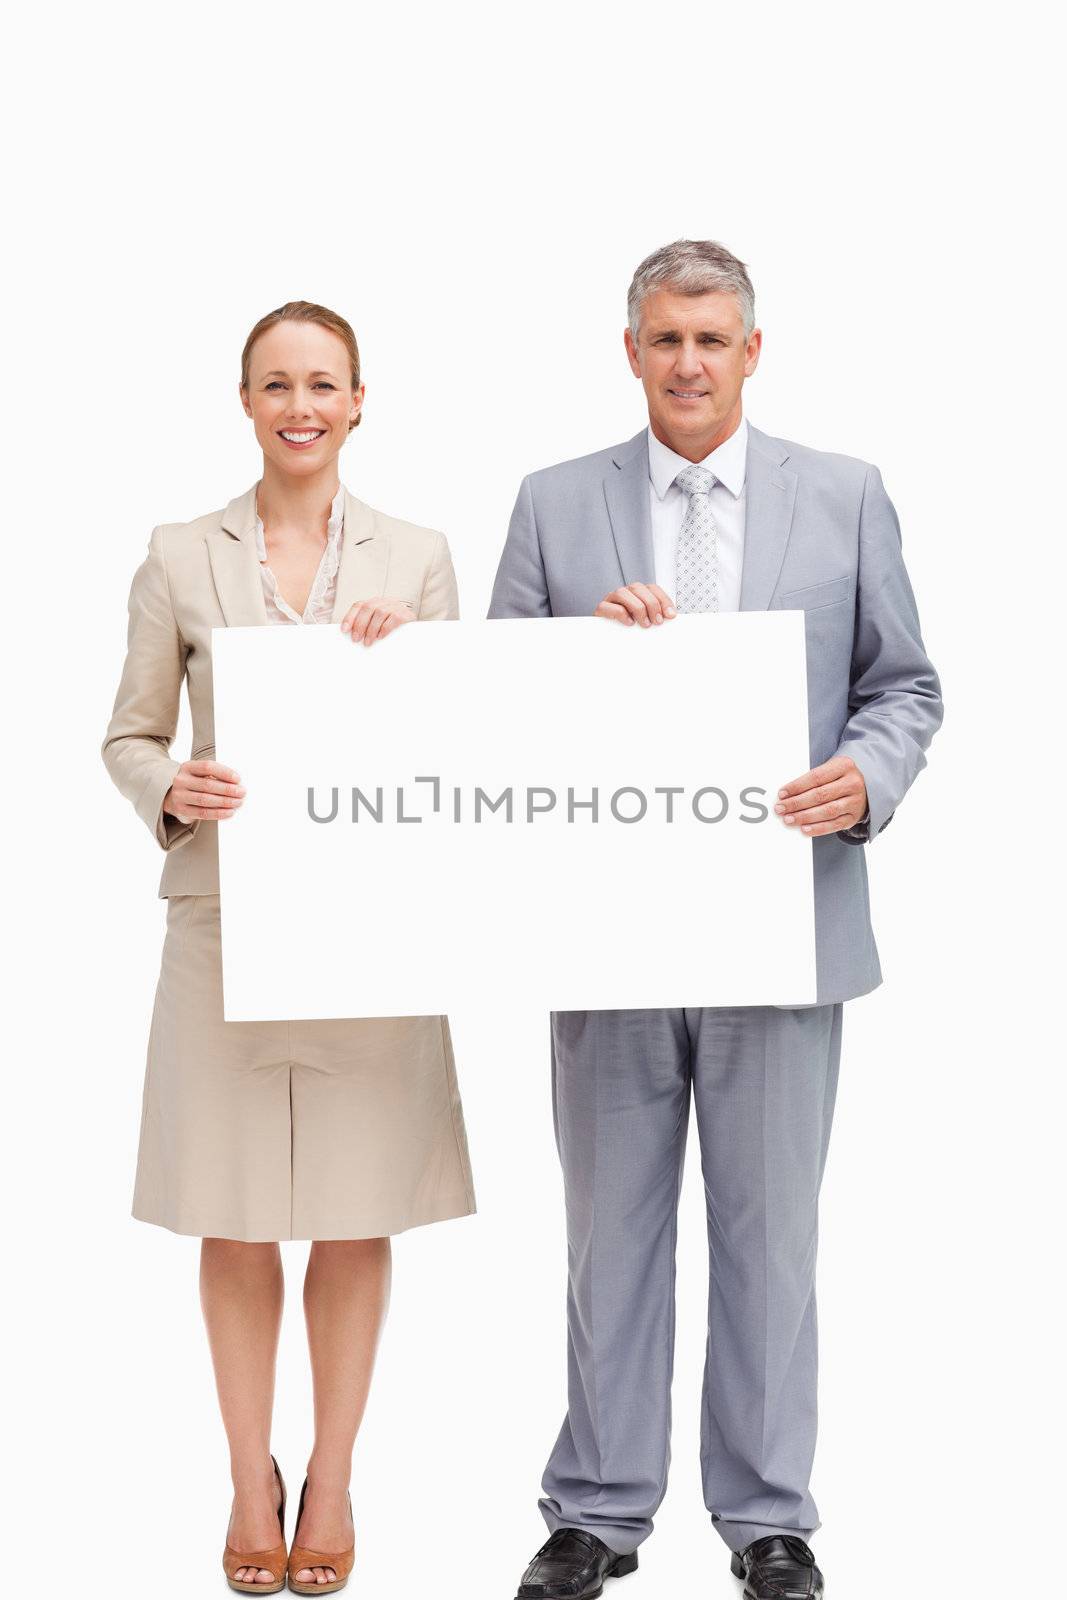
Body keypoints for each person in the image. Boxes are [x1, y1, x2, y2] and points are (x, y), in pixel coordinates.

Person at [489, 240, 943, 1600]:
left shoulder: (846, 495)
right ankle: (597, 1510)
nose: (690, 361)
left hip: (783, 927)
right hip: (610, 932)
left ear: (754, 351)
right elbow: (493, 699)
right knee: (606, 1233)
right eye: (667, 338)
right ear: (629, 350)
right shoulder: (555, 503)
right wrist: (581, 659)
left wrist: (867, 776)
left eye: (714, 339)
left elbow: (904, 684)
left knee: (769, 1234)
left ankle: (767, 1519)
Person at [103, 301, 475, 1595]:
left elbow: (461, 742)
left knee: (358, 1210)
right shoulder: (175, 553)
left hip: (375, 922)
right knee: (238, 1212)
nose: (300, 404)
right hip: (228, 921)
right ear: (247, 401)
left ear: (361, 400)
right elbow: (128, 733)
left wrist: (413, 656)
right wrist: (174, 787)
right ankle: (247, 1471)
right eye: (277, 383)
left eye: (323, 383)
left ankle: (333, 1474)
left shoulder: (419, 557)